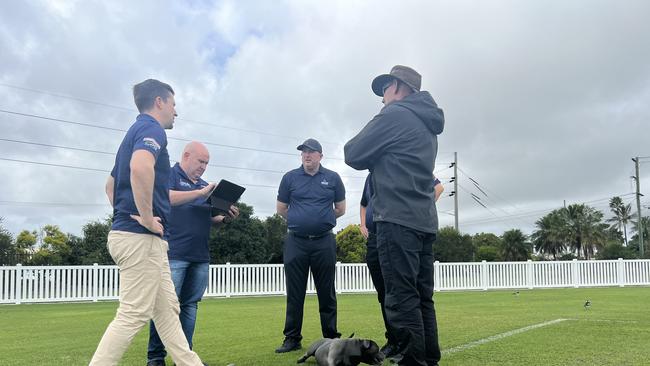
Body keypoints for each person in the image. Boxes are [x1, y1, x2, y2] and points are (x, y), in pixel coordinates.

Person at [91, 79, 204, 366]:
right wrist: (144, 218)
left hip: (133, 237)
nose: (176, 112)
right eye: (174, 105)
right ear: (159, 102)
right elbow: (140, 167)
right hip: (141, 238)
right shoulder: (151, 128)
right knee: (133, 314)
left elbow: (110, 187)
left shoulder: (133, 132)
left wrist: (127, 215)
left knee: (168, 310)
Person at [344, 65, 445, 366]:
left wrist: (376, 153)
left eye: (386, 89)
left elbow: (353, 152)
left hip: (397, 220)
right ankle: (429, 358)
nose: (382, 98)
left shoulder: (396, 114)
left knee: (402, 298)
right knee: (422, 297)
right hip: (424, 220)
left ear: (400, 87)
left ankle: (414, 361)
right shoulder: (428, 123)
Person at [146, 141, 240, 366]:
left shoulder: (206, 186)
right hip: (174, 253)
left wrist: (225, 218)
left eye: (207, 163)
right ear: (186, 156)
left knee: (190, 306)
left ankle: (185, 359)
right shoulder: (169, 175)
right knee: (165, 307)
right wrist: (200, 192)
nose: (203, 167)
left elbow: (210, 219)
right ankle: (155, 359)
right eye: (200, 161)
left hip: (200, 255)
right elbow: (164, 198)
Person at [360, 174, 444, 359]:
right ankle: (394, 341)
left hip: (401, 231)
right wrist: (362, 224)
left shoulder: (403, 163)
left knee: (406, 294)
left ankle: (411, 349)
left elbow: (438, 188)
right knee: (386, 295)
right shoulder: (373, 174)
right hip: (376, 236)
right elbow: (365, 202)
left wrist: (416, 211)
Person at [275, 138, 346, 353]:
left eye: (312, 152)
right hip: (296, 242)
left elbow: (340, 209)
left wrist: (320, 219)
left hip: (324, 241)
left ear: (320, 156)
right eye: (304, 152)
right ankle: (292, 338)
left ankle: (331, 337)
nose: (307, 155)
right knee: (294, 293)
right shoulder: (289, 178)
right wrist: (302, 219)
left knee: (327, 292)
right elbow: (281, 209)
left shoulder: (333, 178)